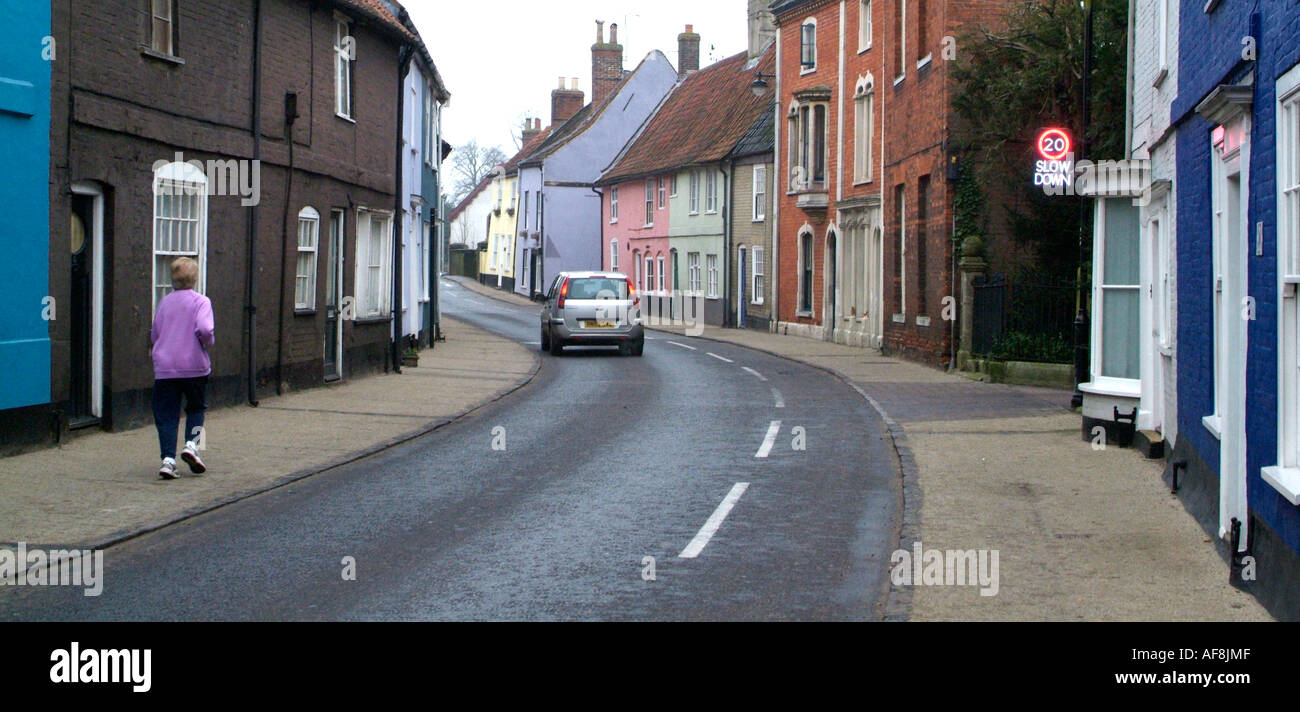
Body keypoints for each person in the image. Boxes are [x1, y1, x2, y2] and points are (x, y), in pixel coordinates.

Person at [150, 257, 214, 480]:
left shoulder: (165, 303)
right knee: (196, 408)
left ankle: (168, 461)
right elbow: (205, 329)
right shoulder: (201, 302)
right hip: (194, 366)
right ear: (195, 278)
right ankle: (191, 446)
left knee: (166, 414)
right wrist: (207, 342)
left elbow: (155, 333)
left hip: (166, 368)